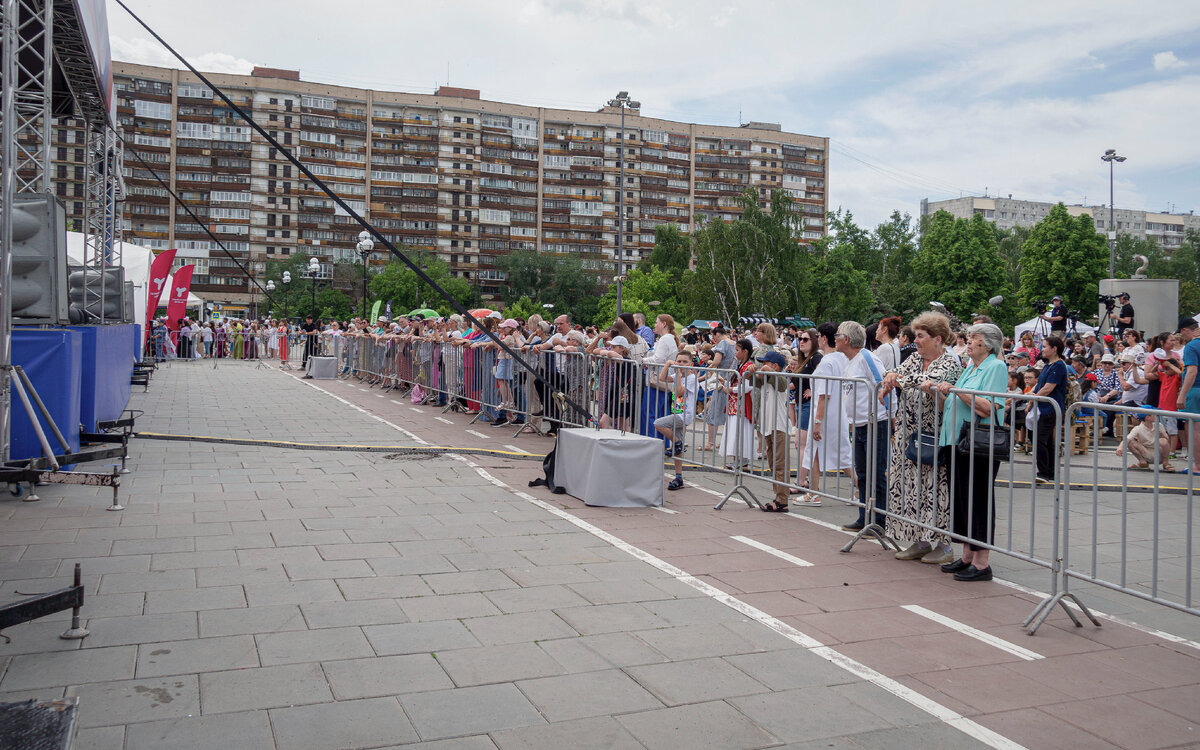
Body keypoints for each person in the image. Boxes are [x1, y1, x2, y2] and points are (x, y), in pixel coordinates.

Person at [878, 312, 963, 564]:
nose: (915, 340)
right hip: (907, 434)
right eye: (915, 335)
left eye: (920, 336)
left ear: (937, 339)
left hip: (935, 435)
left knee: (936, 488)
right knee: (909, 487)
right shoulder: (914, 358)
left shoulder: (950, 363)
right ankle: (919, 540)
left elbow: (928, 384)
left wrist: (898, 378)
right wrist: (892, 375)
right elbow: (896, 373)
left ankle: (944, 545)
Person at [936, 322, 1008, 582]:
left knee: (978, 500)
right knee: (962, 499)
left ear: (987, 344)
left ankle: (982, 562)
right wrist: (944, 391)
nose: (968, 340)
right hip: (958, 441)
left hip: (978, 444)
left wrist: (956, 390)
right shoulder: (971, 366)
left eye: (974, 337)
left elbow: (989, 407)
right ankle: (967, 554)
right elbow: (959, 399)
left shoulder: (996, 367)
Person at [837, 321, 889, 532]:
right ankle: (865, 517)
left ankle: (880, 521)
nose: (835, 339)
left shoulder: (867, 358)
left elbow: (883, 384)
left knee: (876, 473)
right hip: (858, 424)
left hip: (875, 422)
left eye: (838, 336)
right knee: (862, 473)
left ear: (846, 339)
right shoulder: (849, 361)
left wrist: (891, 416)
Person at [799, 323, 854, 504]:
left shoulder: (827, 361)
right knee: (842, 455)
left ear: (823, 338)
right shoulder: (843, 359)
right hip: (839, 413)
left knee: (815, 451)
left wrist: (817, 421)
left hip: (825, 414)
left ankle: (814, 493)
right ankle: (860, 488)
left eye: (818, 337)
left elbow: (823, 395)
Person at [753, 351, 792, 512]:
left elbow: (782, 384)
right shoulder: (766, 380)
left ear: (774, 366)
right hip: (768, 426)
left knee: (780, 464)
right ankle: (777, 496)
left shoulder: (780, 379)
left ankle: (782, 500)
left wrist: (772, 372)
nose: (762, 366)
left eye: (765, 363)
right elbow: (753, 380)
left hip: (779, 427)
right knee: (773, 463)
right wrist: (752, 372)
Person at [655, 349, 699, 491]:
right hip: (677, 411)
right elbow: (662, 379)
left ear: (691, 364)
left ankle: (677, 442)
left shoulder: (692, 379)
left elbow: (680, 391)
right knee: (677, 452)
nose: (681, 364)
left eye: (684, 362)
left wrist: (679, 374)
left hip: (685, 414)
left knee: (658, 423)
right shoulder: (677, 375)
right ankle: (679, 477)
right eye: (678, 361)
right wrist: (667, 365)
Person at [1032, 335, 1068, 483]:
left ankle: (1044, 472)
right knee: (1046, 441)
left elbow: (1048, 388)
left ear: (1054, 349)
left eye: (1045, 346)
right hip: (1043, 406)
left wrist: (1033, 399)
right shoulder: (1048, 365)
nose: (1042, 349)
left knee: (1040, 439)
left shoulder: (1059, 365)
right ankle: (1050, 472)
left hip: (1050, 408)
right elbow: (1040, 385)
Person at [719, 339, 756, 469]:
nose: (735, 352)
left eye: (737, 350)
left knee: (739, 431)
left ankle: (740, 460)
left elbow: (746, 387)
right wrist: (725, 383)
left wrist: (729, 389)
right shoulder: (741, 365)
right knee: (736, 431)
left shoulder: (748, 367)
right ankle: (740, 460)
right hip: (736, 403)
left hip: (741, 404)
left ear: (745, 352)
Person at [703, 325, 736, 451]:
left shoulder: (722, 344)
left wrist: (708, 365)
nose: (713, 339)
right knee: (726, 411)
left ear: (717, 334)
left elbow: (716, 362)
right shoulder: (734, 343)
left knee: (713, 411)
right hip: (732, 380)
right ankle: (721, 442)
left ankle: (710, 443)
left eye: (713, 336)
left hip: (721, 380)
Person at [1177, 317, 1200, 475]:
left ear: (1185, 330)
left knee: (1193, 428)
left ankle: (1198, 465)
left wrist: (1182, 395)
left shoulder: (1191, 346)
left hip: (1194, 390)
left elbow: (1191, 371)